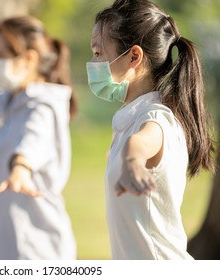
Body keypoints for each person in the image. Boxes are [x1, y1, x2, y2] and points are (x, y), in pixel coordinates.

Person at [86, 0, 215, 259]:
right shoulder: (131, 118)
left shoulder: (157, 118)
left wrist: (132, 162)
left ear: (134, 56)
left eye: (99, 53)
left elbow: (143, 143)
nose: (92, 62)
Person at [0, 16, 78, 259]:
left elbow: (33, 140)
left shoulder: (42, 109)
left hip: (34, 249)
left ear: (28, 59)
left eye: (0, 56)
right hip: (6, 245)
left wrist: (21, 167)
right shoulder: (15, 101)